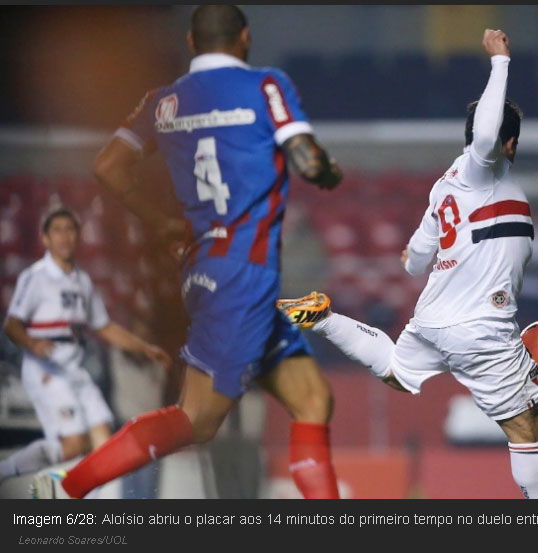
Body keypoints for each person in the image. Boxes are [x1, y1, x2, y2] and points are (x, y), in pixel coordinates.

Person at [32, 5, 344, 499]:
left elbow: (108, 166)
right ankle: (67, 487)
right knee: (195, 421)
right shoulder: (266, 85)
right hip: (243, 275)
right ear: (244, 37)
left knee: (312, 398)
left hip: (205, 271)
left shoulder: (163, 102)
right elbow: (305, 156)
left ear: (191, 43)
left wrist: (157, 222)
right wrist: (326, 170)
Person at [280, 29, 538, 499]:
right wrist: (501, 63)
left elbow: (414, 264)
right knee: (528, 428)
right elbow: (488, 134)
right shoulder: (481, 166)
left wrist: (417, 254)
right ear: (510, 144)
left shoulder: (445, 186)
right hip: (482, 325)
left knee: (395, 371)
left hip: (435, 319)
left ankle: (323, 317)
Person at [0, 207, 171, 489]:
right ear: (45, 238)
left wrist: (143, 347)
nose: (65, 237)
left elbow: (104, 328)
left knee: (103, 448)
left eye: (70, 230)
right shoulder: (35, 278)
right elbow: (12, 325)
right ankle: (7, 470)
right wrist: (33, 344)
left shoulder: (82, 281)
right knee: (74, 443)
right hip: (46, 368)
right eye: (57, 230)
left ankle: (83, 507)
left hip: (74, 369)